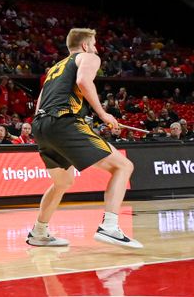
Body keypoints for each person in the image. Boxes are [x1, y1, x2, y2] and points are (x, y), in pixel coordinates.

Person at [28, 28, 142, 248]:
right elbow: (83, 81)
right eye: (94, 43)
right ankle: (109, 227)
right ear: (85, 45)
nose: (96, 48)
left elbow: (41, 100)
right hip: (63, 122)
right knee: (123, 166)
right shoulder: (89, 57)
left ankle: (39, 232)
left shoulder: (55, 68)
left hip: (41, 125)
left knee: (62, 182)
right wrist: (103, 113)